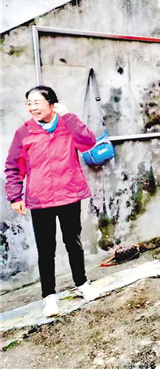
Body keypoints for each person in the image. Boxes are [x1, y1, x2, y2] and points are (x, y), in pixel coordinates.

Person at [4, 86, 100, 317]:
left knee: (73, 242)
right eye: (29, 103)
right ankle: (49, 296)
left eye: (37, 102)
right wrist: (15, 196)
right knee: (46, 250)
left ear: (51, 104)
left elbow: (88, 142)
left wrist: (69, 116)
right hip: (41, 198)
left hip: (69, 193)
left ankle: (82, 283)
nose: (32, 108)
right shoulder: (24, 132)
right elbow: (14, 166)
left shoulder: (68, 125)